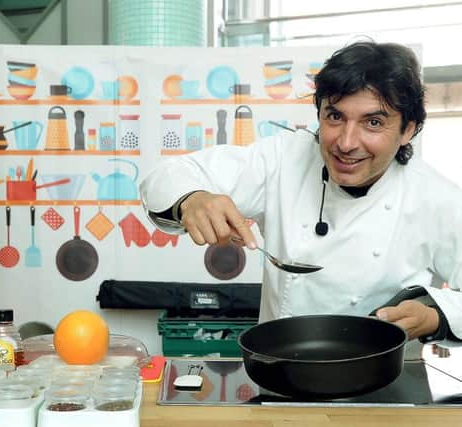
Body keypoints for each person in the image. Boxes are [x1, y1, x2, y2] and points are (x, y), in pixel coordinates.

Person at [140, 41, 462, 344]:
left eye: (373, 123)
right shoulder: (283, 159)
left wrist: (435, 317)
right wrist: (191, 200)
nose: (347, 142)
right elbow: (164, 177)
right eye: (335, 116)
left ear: (408, 130)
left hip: (389, 385)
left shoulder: (435, 198)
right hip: (280, 374)